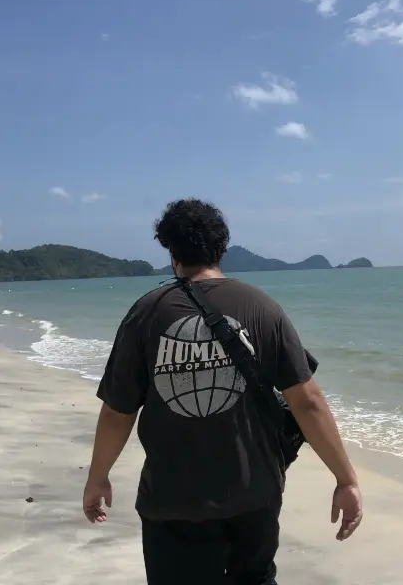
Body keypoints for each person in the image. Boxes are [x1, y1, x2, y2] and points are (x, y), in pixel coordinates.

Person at [83, 198, 363, 584]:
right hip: (255, 495)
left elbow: (118, 413)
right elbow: (307, 401)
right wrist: (345, 479)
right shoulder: (263, 308)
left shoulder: (146, 313)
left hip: (174, 500)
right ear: (222, 248)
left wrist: (98, 477)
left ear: (171, 251)